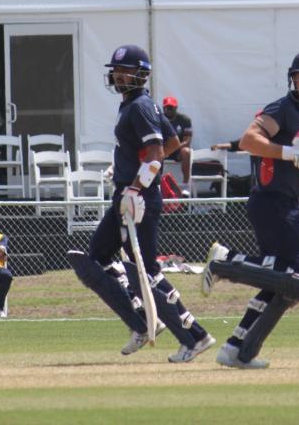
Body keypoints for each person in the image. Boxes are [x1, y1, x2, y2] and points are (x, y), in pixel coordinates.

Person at [68, 44, 214, 363]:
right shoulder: (134, 104)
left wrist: (135, 186)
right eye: (117, 70)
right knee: (100, 255)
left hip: (139, 195)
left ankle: (195, 335)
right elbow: (173, 143)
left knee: (148, 272)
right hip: (128, 190)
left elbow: (158, 153)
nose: (120, 75)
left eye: (127, 70)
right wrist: (123, 166)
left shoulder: (140, 106)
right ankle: (143, 317)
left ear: (141, 74)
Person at [202, 50, 299, 369]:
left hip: (287, 202)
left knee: (281, 284)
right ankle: (227, 260)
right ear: (293, 78)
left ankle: (236, 349)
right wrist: (288, 152)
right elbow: (249, 139)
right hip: (272, 202)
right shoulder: (283, 108)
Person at [162, 96, 193, 192]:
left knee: (186, 151)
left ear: (176, 108)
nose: (168, 110)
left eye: (171, 108)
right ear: (163, 108)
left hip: (177, 151)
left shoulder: (185, 120)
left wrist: (173, 148)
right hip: (163, 150)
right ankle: (155, 184)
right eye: (166, 108)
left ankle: (185, 185)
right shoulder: (158, 119)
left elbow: (187, 141)